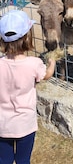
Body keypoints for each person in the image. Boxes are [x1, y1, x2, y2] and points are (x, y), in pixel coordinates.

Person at [0, 9, 56, 164]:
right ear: (27, 37)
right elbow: (46, 75)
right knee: (23, 160)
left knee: (4, 159)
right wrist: (51, 63)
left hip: (2, 125)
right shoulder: (34, 64)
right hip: (25, 125)